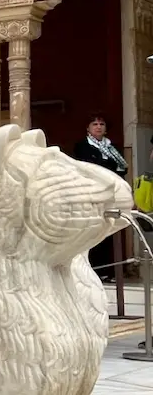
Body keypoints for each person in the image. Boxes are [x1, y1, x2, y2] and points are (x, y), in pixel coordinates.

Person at [74, 114, 129, 281]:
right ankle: (96, 271)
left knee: (112, 232)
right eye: (94, 124)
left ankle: (112, 271)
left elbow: (122, 169)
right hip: (92, 194)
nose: (98, 127)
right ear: (88, 128)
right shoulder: (83, 146)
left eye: (101, 124)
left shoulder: (113, 148)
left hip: (113, 194)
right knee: (95, 231)